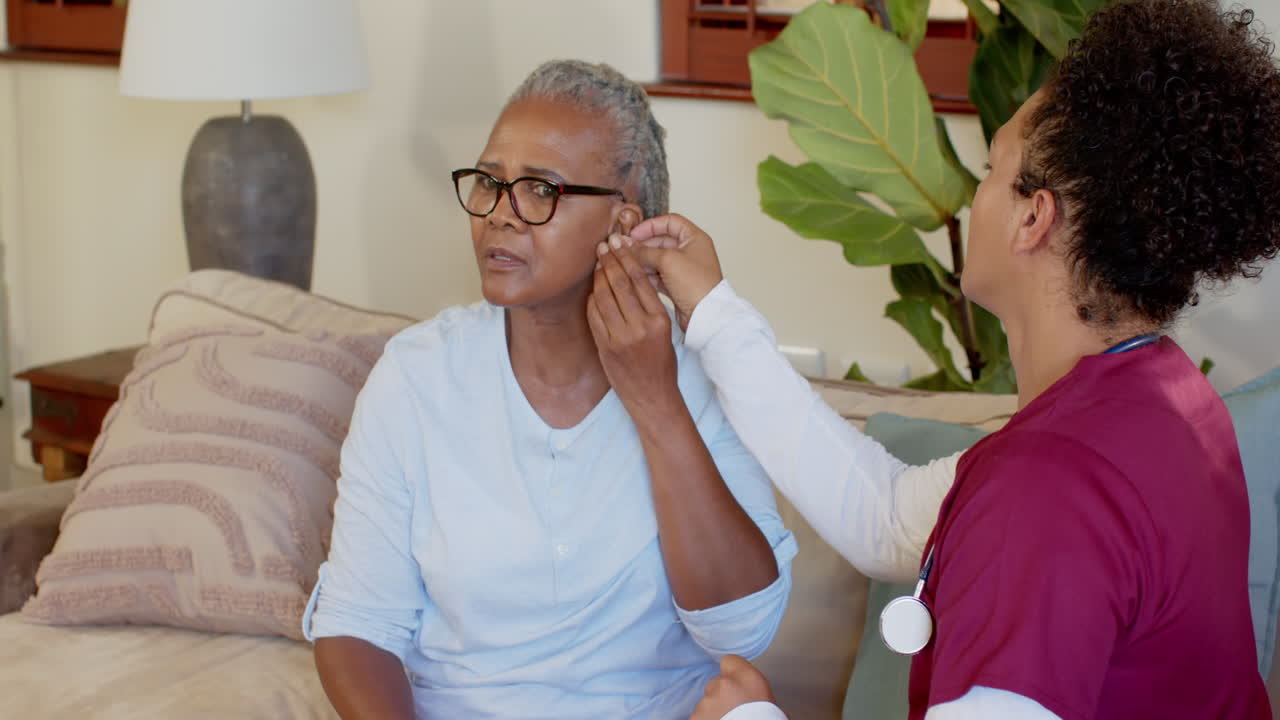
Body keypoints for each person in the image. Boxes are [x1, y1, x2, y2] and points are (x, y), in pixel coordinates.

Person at [588, 0, 1280, 717]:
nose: (974, 196)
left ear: (1033, 218)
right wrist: (713, 311)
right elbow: (887, 519)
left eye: (990, 169)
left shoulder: (1048, 489)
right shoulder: (1170, 404)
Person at [301, 60, 804, 719]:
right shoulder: (417, 376)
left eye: (539, 189)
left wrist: (655, 399)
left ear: (623, 222)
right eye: (489, 182)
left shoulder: (707, 374)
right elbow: (358, 624)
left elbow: (742, 631)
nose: (499, 216)